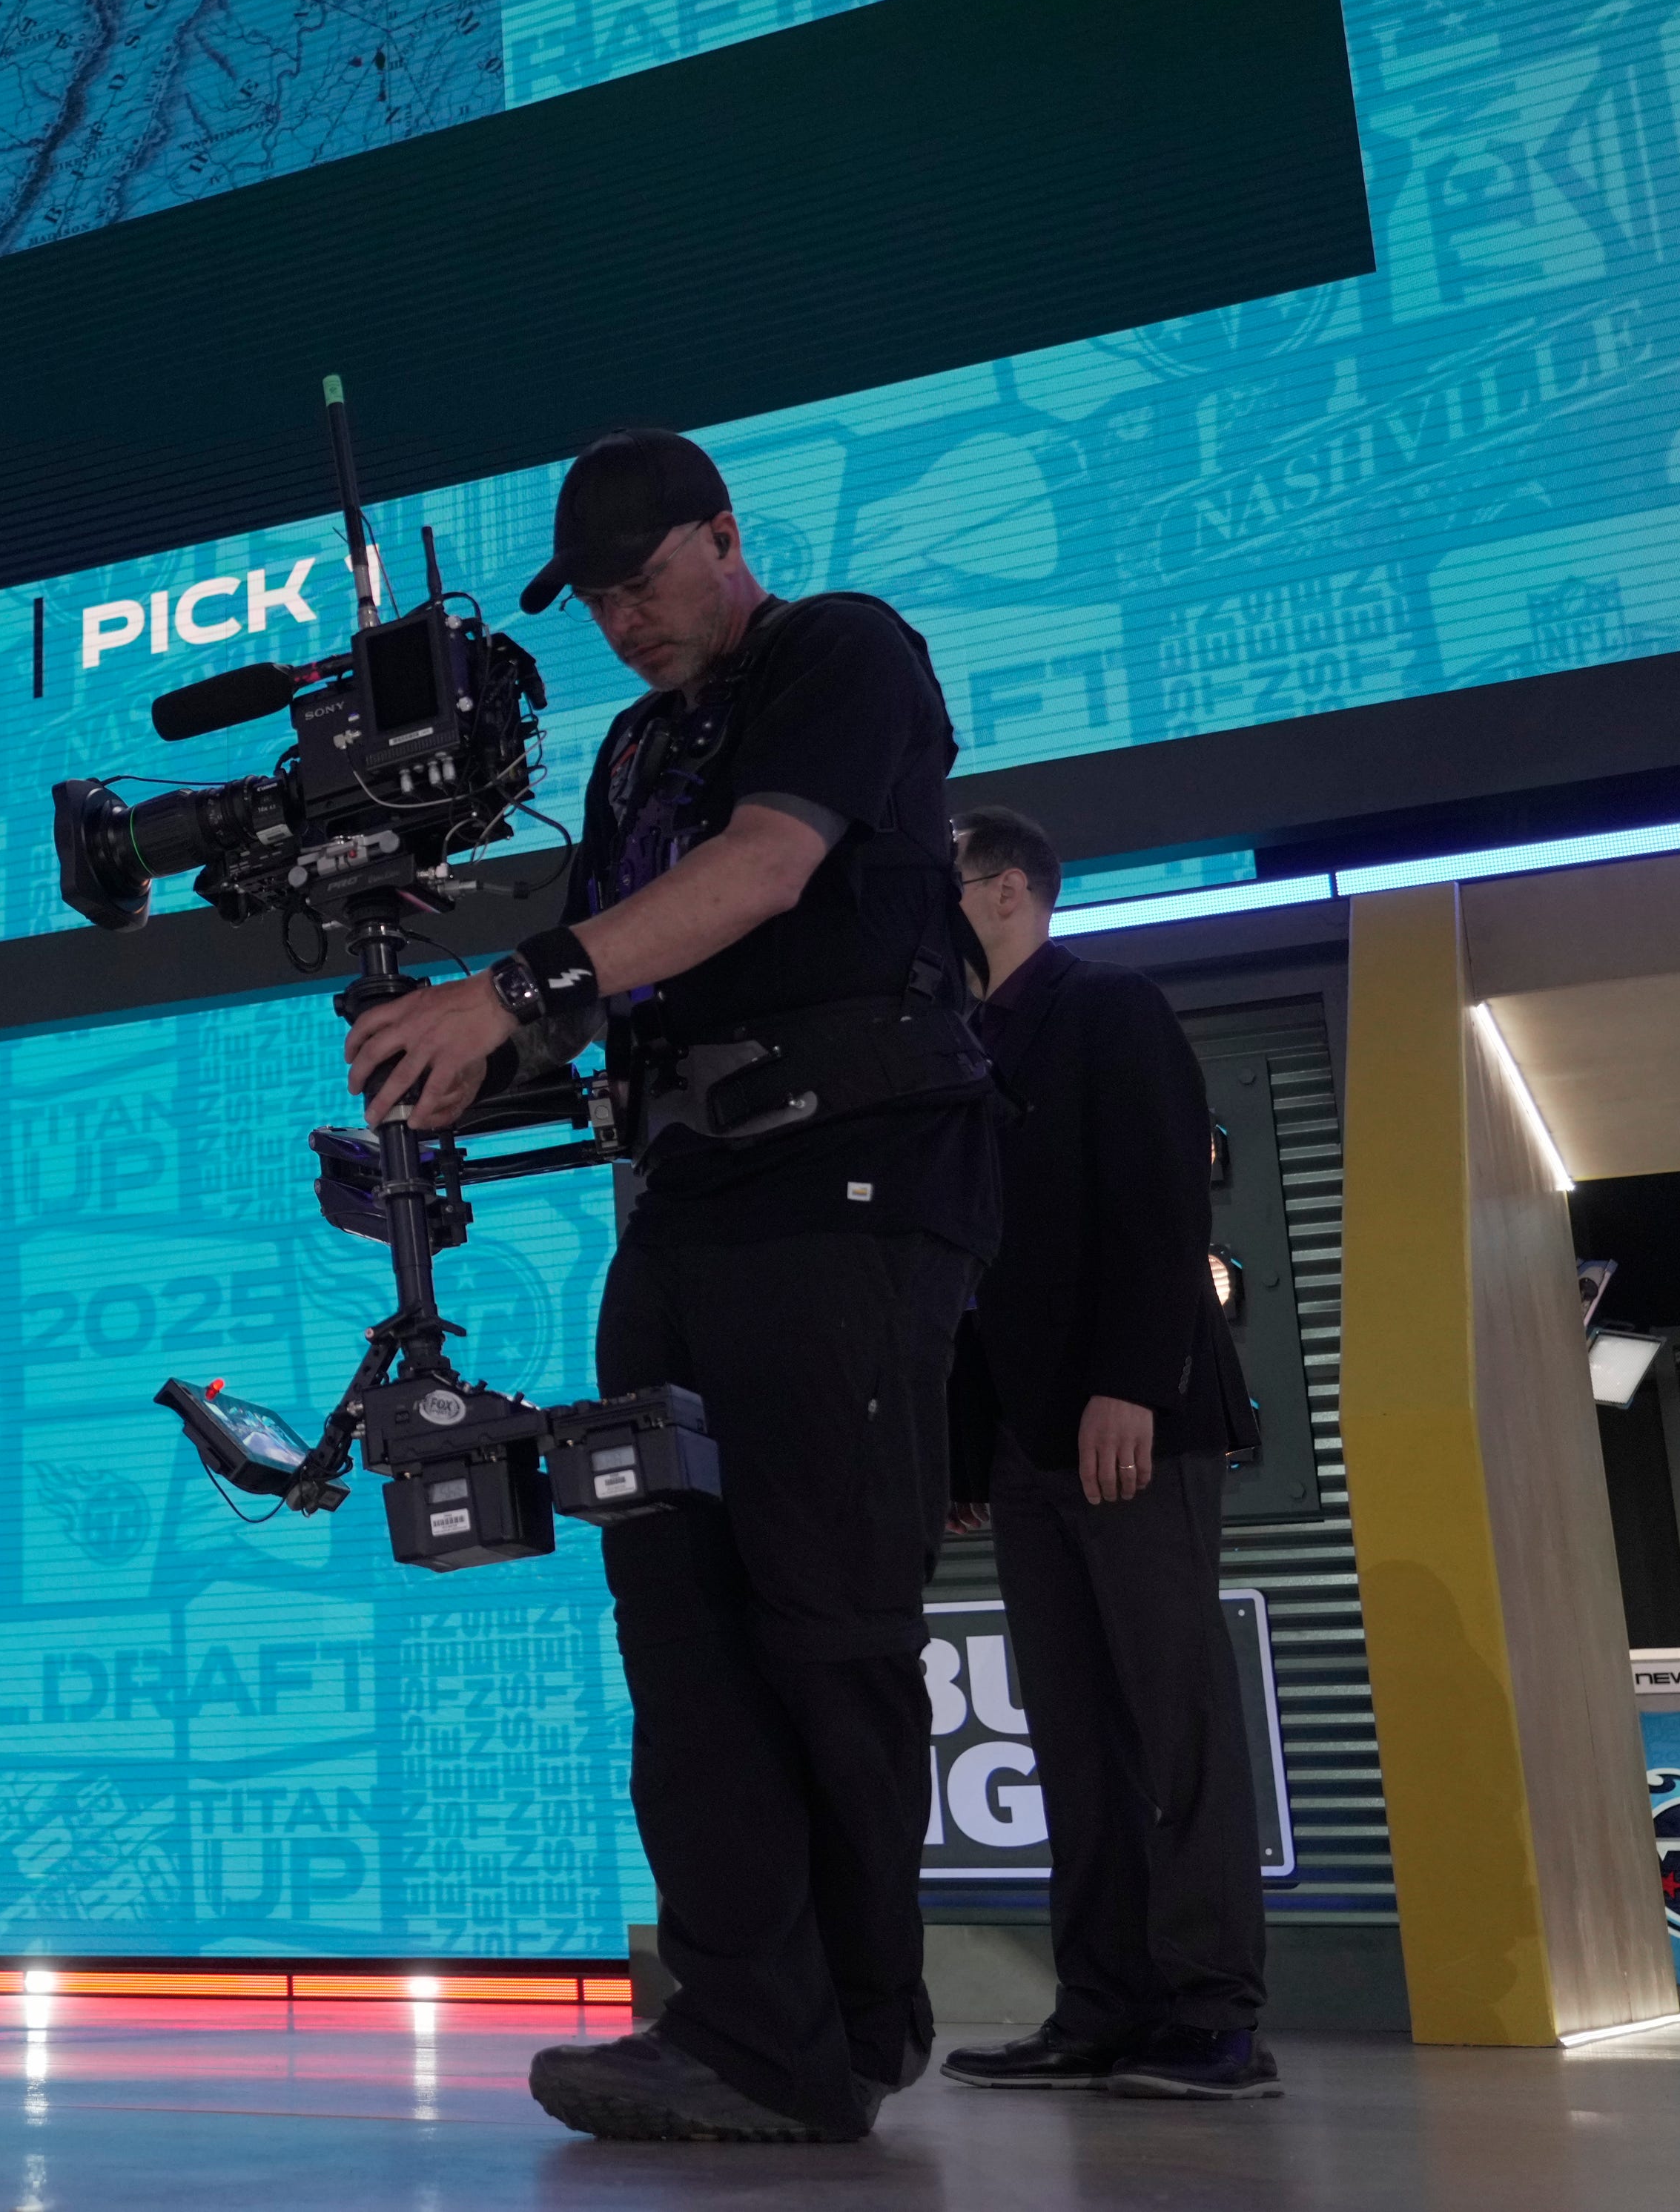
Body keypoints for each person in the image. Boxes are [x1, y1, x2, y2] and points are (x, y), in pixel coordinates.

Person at [342, 429, 999, 2145]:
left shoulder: (839, 650)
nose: (626, 620)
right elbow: (596, 997)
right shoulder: (634, 749)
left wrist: (512, 986)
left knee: (827, 1627)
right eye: (601, 597)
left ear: (726, 537)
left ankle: (847, 2026)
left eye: (649, 577)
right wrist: (453, 1068)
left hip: (845, 1199)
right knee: (682, 1641)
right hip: (686, 1210)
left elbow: (768, 868)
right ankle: (742, 2026)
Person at [932, 805, 1274, 2103]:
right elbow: (973, 1264)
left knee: (1172, 1718)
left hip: (1134, 1421)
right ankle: (1101, 2003)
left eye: (943, 879)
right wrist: (970, 1449)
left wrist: (1134, 1380)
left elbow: (1160, 1205)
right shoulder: (961, 1046)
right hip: (1025, 1442)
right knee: (1072, 1735)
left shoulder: (1111, 1006)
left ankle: (1212, 2011)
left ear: (1008, 888)